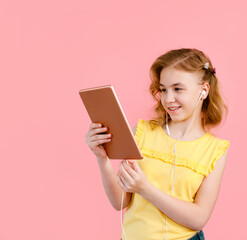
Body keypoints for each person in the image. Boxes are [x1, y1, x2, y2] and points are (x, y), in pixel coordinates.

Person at [85, 48, 230, 240]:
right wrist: (102, 159)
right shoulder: (143, 132)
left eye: (178, 89)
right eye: (163, 89)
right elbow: (119, 202)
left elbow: (198, 219)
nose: (168, 99)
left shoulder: (214, 150)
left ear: (203, 90)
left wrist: (145, 188)